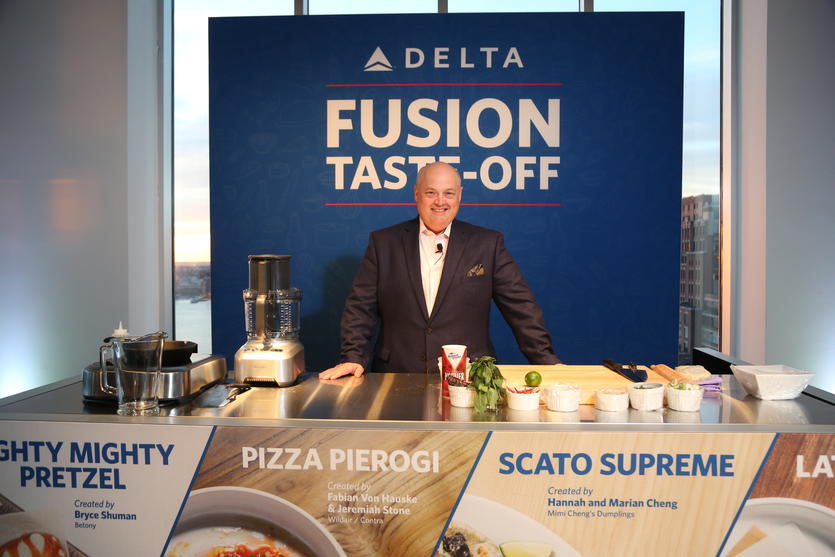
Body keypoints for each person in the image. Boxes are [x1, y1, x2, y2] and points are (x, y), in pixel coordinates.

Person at [319, 161, 559, 380]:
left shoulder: (488, 244)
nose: (440, 202)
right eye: (431, 192)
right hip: (397, 375)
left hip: (470, 377)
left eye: (448, 193)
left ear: (459, 195)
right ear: (416, 194)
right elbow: (360, 308)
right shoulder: (383, 243)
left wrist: (547, 361)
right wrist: (353, 356)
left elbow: (522, 308)